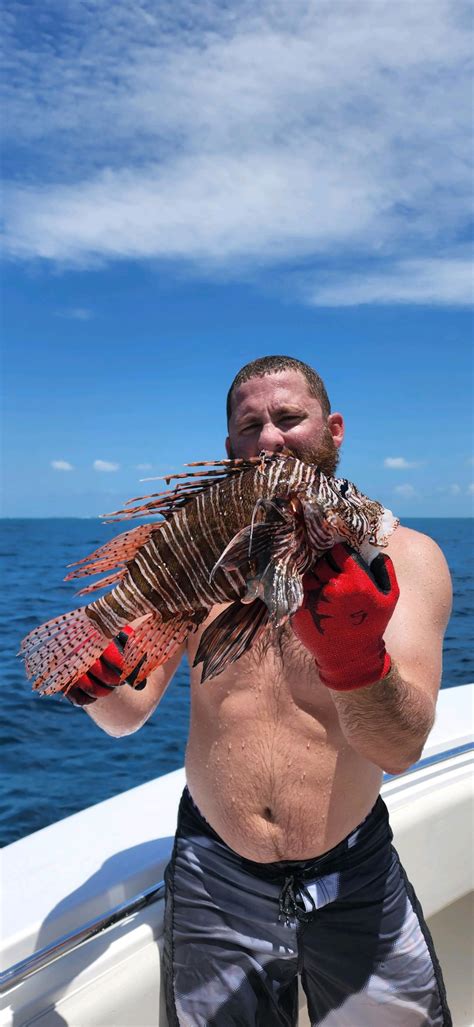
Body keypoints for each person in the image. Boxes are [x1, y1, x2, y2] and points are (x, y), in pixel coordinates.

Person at [66, 356, 453, 1026]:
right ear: (231, 449)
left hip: (354, 875)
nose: (270, 437)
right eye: (251, 425)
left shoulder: (405, 558)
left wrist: (358, 660)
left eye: (289, 418)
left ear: (331, 429)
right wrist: (94, 678)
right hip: (215, 875)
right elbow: (128, 711)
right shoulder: (198, 556)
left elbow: (401, 746)